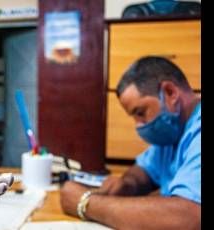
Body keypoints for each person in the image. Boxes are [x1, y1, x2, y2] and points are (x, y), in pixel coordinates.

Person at [60, 56, 201, 229]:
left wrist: (86, 203)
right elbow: (142, 172)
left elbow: (189, 217)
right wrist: (127, 184)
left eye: (141, 113)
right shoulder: (173, 133)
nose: (139, 126)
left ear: (170, 92)